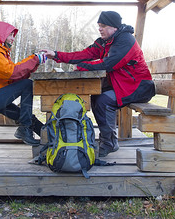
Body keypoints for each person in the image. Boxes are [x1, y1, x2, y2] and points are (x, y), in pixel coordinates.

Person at [41, 11, 155, 157]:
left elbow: (108, 64)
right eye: (99, 26)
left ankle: (108, 143)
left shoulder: (125, 40)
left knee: (103, 101)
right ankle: (109, 140)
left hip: (139, 87)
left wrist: (82, 67)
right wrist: (56, 55)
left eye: (103, 26)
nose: (100, 29)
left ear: (114, 27)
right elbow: (84, 54)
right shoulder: (104, 42)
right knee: (96, 97)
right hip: (122, 85)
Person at [0, 21, 46, 146]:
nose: (12, 39)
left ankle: (50, 137)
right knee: (27, 85)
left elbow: (13, 77)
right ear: (1, 34)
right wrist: (34, 59)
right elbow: (11, 72)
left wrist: (36, 62)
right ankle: (25, 130)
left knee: (25, 117)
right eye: (10, 35)